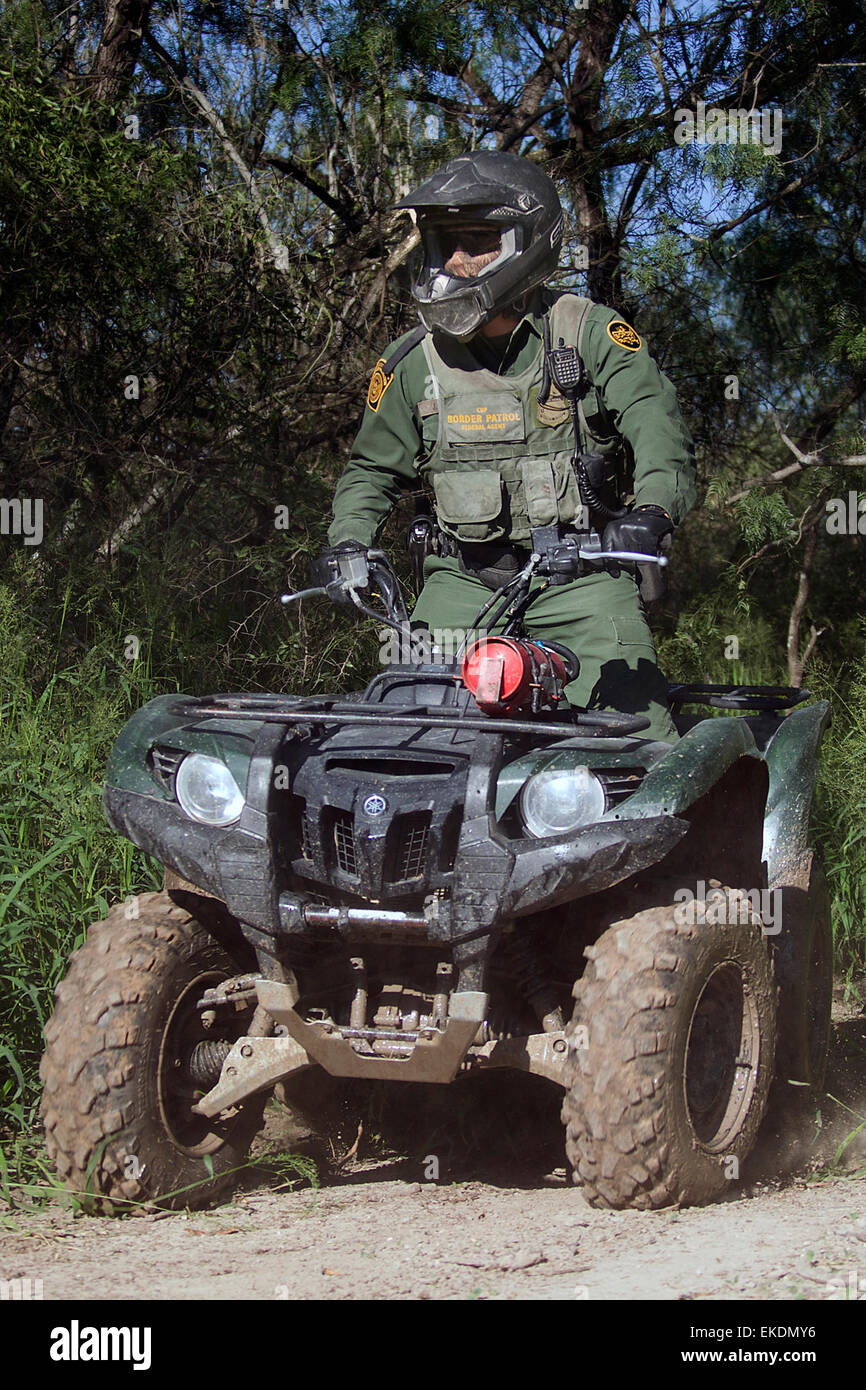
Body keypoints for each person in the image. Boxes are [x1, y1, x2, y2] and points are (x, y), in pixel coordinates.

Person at [315, 150, 696, 741]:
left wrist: (651, 513)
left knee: (634, 744)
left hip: (584, 581)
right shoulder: (411, 364)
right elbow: (370, 469)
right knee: (404, 735)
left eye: (478, 241)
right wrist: (348, 542)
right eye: (447, 245)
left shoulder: (589, 334)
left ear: (528, 242)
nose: (458, 262)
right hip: (460, 584)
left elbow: (656, 426)